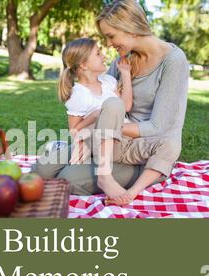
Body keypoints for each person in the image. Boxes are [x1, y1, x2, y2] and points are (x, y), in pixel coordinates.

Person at [32, 0, 189, 206]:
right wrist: (87, 133)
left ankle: (110, 174)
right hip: (111, 143)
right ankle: (93, 161)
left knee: (67, 179)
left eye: (111, 36)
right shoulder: (123, 59)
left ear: (131, 29)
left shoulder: (173, 61)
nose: (108, 44)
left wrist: (102, 129)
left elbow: (158, 127)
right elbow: (102, 98)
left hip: (143, 151)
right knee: (42, 170)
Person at [58, 38, 133, 166]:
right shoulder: (78, 95)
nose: (104, 56)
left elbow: (125, 106)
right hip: (98, 143)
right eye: (98, 53)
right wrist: (95, 116)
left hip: (122, 137)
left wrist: (125, 75)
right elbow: (73, 131)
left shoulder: (108, 82)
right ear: (83, 65)